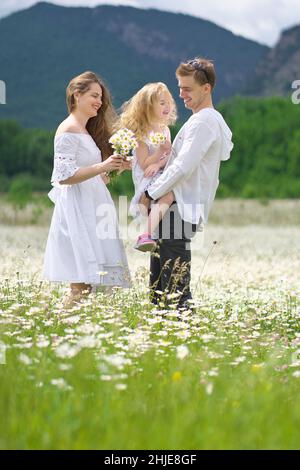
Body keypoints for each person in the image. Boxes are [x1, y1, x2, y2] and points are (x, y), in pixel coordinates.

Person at [144, 58, 234, 310]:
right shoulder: (203, 120)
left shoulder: (205, 121)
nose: (181, 94)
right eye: (180, 87)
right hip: (176, 208)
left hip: (179, 209)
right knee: (159, 289)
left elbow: (183, 166)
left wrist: (151, 193)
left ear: (206, 88)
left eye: (188, 89)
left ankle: (188, 337)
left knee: (174, 290)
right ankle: (160, 340)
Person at [43, 71, 131, 308]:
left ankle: (66, 327)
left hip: (91, 206)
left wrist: (112, 169)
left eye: (100, 97)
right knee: (81, 282)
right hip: (78, 210)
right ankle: (56, 326)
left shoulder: (83, 130)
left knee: (89, 282)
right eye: (94, 96)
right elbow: (64, 176)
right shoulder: (68, 130)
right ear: (76, 95)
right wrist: (102, 165)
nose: (99, 102)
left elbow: (90, 174)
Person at [117, 82, 177, 251]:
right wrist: (159, 154)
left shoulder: (165, 130)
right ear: (148, 107)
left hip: (161, 170)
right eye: (161, 103)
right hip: (147, 175)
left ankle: (150, 231)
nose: (167, 106)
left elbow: (169, 157)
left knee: (168, 196)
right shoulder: (142, 133)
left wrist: (159, 161)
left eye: (169, 102)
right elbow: (144, 164)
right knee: (168, 195)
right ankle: (146, 234)